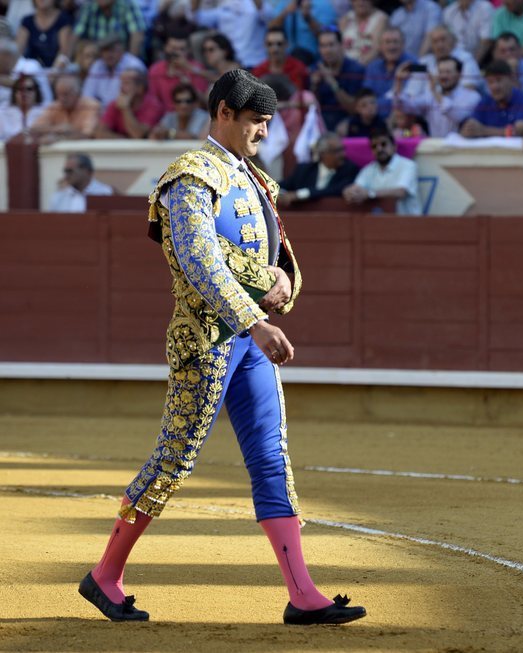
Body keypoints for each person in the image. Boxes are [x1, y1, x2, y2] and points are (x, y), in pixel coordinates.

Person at [77, 69, 368, 627]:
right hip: (205, 342)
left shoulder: (255, 179)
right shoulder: (190, 176)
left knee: (270, 457)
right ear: (224, 113)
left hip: (247, 342)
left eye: (267, 122)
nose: (262, 131)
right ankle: (106, 575)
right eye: (255, 121)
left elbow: (278, 252)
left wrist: (285, 285)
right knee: (174, 458)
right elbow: (197, 257)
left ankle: (302, 593)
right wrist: (256, 319)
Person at [394, 55, 482, 136]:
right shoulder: (430, 96)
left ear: (459, 74)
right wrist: (398, 81)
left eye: (448, 72)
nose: (443, 76)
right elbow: (404, 106)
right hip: (435, 148)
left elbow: (457, 116)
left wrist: (435, 92)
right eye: (441, 72)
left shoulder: (472, 96)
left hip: (461, 149)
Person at [343, 127, 422, 214]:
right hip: (379, 223)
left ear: (394, 147)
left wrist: (369, 194)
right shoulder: (368, 170)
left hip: (408, 223)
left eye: (383, 144)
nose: (379, 149)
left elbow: (400, 192)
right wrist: (350, 192)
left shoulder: (408, 165)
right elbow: (357, 188)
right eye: (374, 146)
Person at [460, 58, 523, 137]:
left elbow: (518, 131)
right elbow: (471, 125)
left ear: (511, 79)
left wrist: (483, 130)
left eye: (499, 80)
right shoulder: (485, 101)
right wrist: (468, 129)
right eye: (490, 82)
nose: (495, 87)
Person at [278, 132, 361, 205]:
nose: (343, 154)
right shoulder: (304, 170)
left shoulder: (350, 169)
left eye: (342, 149)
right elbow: (279, 186)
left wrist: (299, 194)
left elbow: (333, 190)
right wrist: (281, 194)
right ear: (322, 154)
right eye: (336, 151)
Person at [311, 28, 365, 131]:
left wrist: (331, 82)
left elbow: (353, 108)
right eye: (323, 46)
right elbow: (312, 108)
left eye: (331, 45)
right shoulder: (315, 69)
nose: (327, 50)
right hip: (322, 119)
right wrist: (314, 86)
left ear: (341, 45)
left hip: (348, 119)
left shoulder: (355, 69)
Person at [30, 74, 102, 141]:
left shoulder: (91, 106)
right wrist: (57, 129)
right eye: (58, 94)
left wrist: (61, 136)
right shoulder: (55, 106)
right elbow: (34, 129)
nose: (62, 99)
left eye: (66, 94)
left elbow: (88, 135)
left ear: (78, 93)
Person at [96, 69, 166, 138]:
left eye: (126, 83)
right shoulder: (114, 104)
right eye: (121, 83)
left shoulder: (154, 106)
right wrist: (123, 142)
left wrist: (125, 109)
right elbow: (100, 133)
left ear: (140, 88)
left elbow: (138, 134)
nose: (121, 87)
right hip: (122, 148)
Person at [148, 34, 210, 112]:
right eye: (173, 48)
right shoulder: (155, 70)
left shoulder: (197, 69)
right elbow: (153, 101)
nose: (177, 53)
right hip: (165, 117)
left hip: (192, 115)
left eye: (182, 49)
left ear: (188, 50)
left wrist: (190, 85)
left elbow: (203, 104)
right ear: (166, 48)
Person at [81, 34, 147, 107]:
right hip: (100, 111)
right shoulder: (97, 66)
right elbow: (87, 95)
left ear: (122, 49)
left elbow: (137, 98)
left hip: (126, 109)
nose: (108, 55)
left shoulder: (134, 65)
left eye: (112, 50)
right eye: (105, 51)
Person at [363, 26, 413, 119]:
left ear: (403, 44)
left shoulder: (412, 64)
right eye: (387, 42)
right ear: (380, 46)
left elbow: (407, 100)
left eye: (395, 42)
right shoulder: (373, 67)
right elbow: (366, 99)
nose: (391, 47)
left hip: (402, 123)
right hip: (374, 120)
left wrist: (376, 105)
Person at [72, 0, 146, 57]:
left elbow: (137, 36)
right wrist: (65, 59)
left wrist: (129, 62)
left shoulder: (128, 5)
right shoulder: (88, 7)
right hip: (96, 58)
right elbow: (76, 34)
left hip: (122, 59)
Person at [15, 0, 73, 69]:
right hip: (30, 69)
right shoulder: (27, 21)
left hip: (53, 71)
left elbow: (64, 53)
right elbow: (17, 50)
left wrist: (53, 72)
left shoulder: (64, 20)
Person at [488, 31, 523, 99]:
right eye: (503, 51)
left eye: (512, 49)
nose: (508, 54)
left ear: (519, 49)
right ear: (495, 54)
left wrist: (513, 73)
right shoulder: (490, 71)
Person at [48, 152, 114, 212]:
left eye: (70, 171)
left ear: (85, 171)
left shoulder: (105, 193)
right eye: (65, 171)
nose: (66, 176)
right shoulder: (60, 196)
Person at [252, 28, 310, 93]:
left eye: (279, 44)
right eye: (270, 44)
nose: (275, 49)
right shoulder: (258, 72)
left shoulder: (299, 68)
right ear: (265, 45)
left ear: (287, 44)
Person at [0, 36, 52, 106]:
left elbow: (22, 85)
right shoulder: (4, 74)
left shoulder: (31, 65)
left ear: (6, 57)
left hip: (38, 112)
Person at [339, 0, 387, 65]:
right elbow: (339, 46)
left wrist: (357, 67)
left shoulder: (381, 19)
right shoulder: (345, 19)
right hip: (345, 66)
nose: (361, 2)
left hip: (369, 65)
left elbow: (376, 50)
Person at [0, 74, 44, 141]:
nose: (24, 93)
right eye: (20, 89)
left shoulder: (46, 111)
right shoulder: (3, 112)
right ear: (15, 93)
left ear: (36, 92)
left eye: (29, 89)